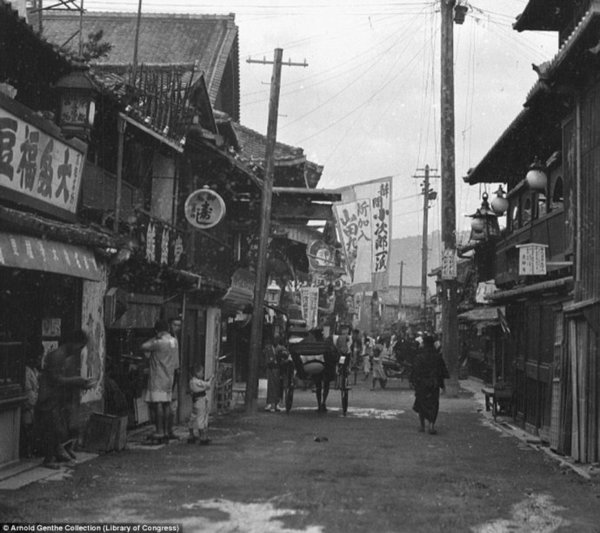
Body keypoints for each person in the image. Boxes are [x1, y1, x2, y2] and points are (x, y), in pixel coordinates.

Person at [36, 330, 96, 469]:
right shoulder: (58, 355)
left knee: (58, 428)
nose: (79, 350)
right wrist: (78, 381)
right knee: (52, 428)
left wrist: (81, 383)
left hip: (55, 397)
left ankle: (56, 454)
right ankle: (49, 459)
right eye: (80, 347)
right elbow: (56, 379)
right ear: (73, 343)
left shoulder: (65, 356)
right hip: (48, 397)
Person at [140, 320, 179, 442]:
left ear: (157, 330)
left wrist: (154, 337)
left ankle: (160, 431)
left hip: (158, 377)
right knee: (167, 403)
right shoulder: (174, 341)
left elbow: (143, 346)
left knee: (158, 404)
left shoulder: (158, 342)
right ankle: (167, 430)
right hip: (169, 376)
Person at [410, 334, 450, 435]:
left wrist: (414, 382)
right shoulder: (437, 357)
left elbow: (415, 371)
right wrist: (442, 385)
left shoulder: (419, 357)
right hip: (434, 384)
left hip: (421, 384)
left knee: (421, 403)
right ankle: (431, 425)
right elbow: (442, 371)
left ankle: (422, 425)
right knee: (433, 404)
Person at [21, 342, 43, 458]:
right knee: (28, 427)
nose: (40, 360)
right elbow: (29, 392)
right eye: (39, 357)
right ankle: (27, 452)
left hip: (35, 406)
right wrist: (38, 400)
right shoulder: (26, 372)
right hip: (28, 406)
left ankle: (32, 450)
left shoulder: (35, 371)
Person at [187, 363, 213, 444]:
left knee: (193, 417)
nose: (203, 374)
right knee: (201, 418)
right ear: (197, 373)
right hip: (200, 401)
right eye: (202, 372)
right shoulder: (197, 382)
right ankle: (202, 437)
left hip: (195, 401)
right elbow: (207, 385)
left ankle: (191, 435)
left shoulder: (192, 381)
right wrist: (211, 379)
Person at [166, 316, 182, 440]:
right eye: (174, 325)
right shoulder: (168, 339)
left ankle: (169, 430)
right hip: (168, 374)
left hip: (174, 373)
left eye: (178, 325)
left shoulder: (175, 338)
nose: (177, 327)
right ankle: (167, 430)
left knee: (173, 404)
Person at [263, 338, 281, 412]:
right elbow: (265, 357)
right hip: (271, 368)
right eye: (274, 340)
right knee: (270, 386)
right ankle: (270, 403)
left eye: (277, 340)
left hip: (278, 368)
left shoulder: (281, 348)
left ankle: (277, 403)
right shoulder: (268, 348)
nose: (275, 341)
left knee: (278, 386)